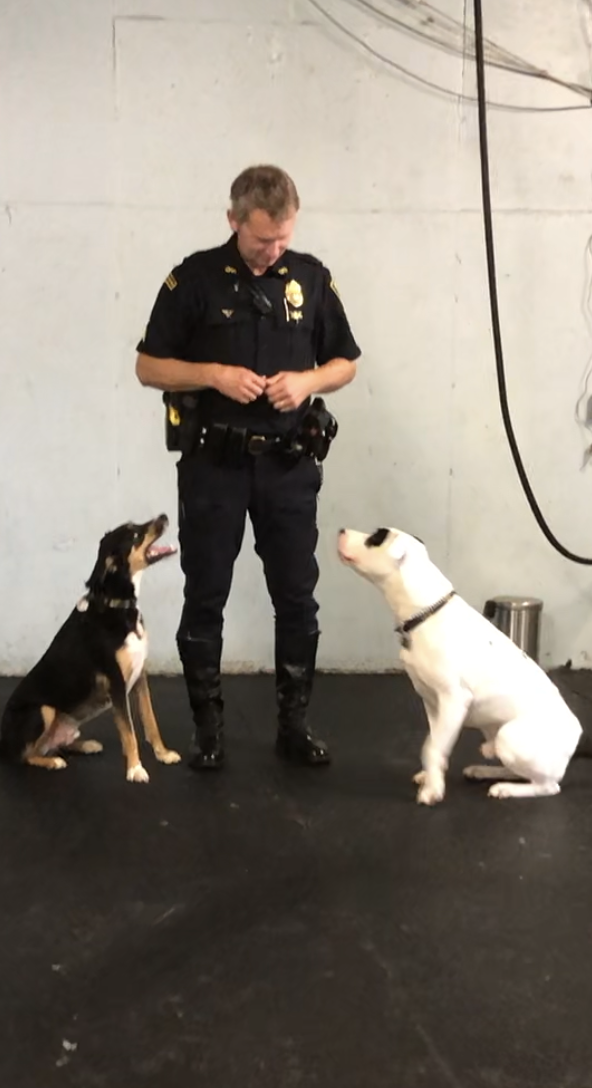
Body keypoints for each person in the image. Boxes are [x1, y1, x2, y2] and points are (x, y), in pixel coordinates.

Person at [135, 165, 361, 771]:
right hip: (215, 465)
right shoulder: (195, 279)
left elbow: (346, 362)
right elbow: (148, 366)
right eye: (263, 239)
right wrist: (212, 374)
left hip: (288, 467)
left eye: (284, 237)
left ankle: (295, 726)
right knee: (205, 596)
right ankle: (208, 733)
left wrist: (308, 381)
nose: (274, 249)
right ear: (233, 220)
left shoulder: (310, 278)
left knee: (298, 598)